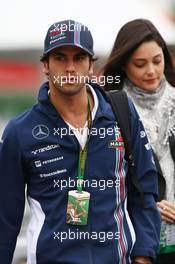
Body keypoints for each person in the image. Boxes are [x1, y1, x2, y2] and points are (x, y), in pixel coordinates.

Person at [0, 19, 160, 264]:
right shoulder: (20, 132)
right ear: (45, 65)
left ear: (90, 65)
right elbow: (5, 218)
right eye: (60, 58)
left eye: (79, 58)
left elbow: (145, 190)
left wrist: (143, 256)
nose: (70, 68)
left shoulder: (121, 112)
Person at [103, 18, 175, 264]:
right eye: (140, 64)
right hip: (135, 243)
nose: (152, 71)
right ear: (123, 65)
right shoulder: (109, 110)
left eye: (157, 60)